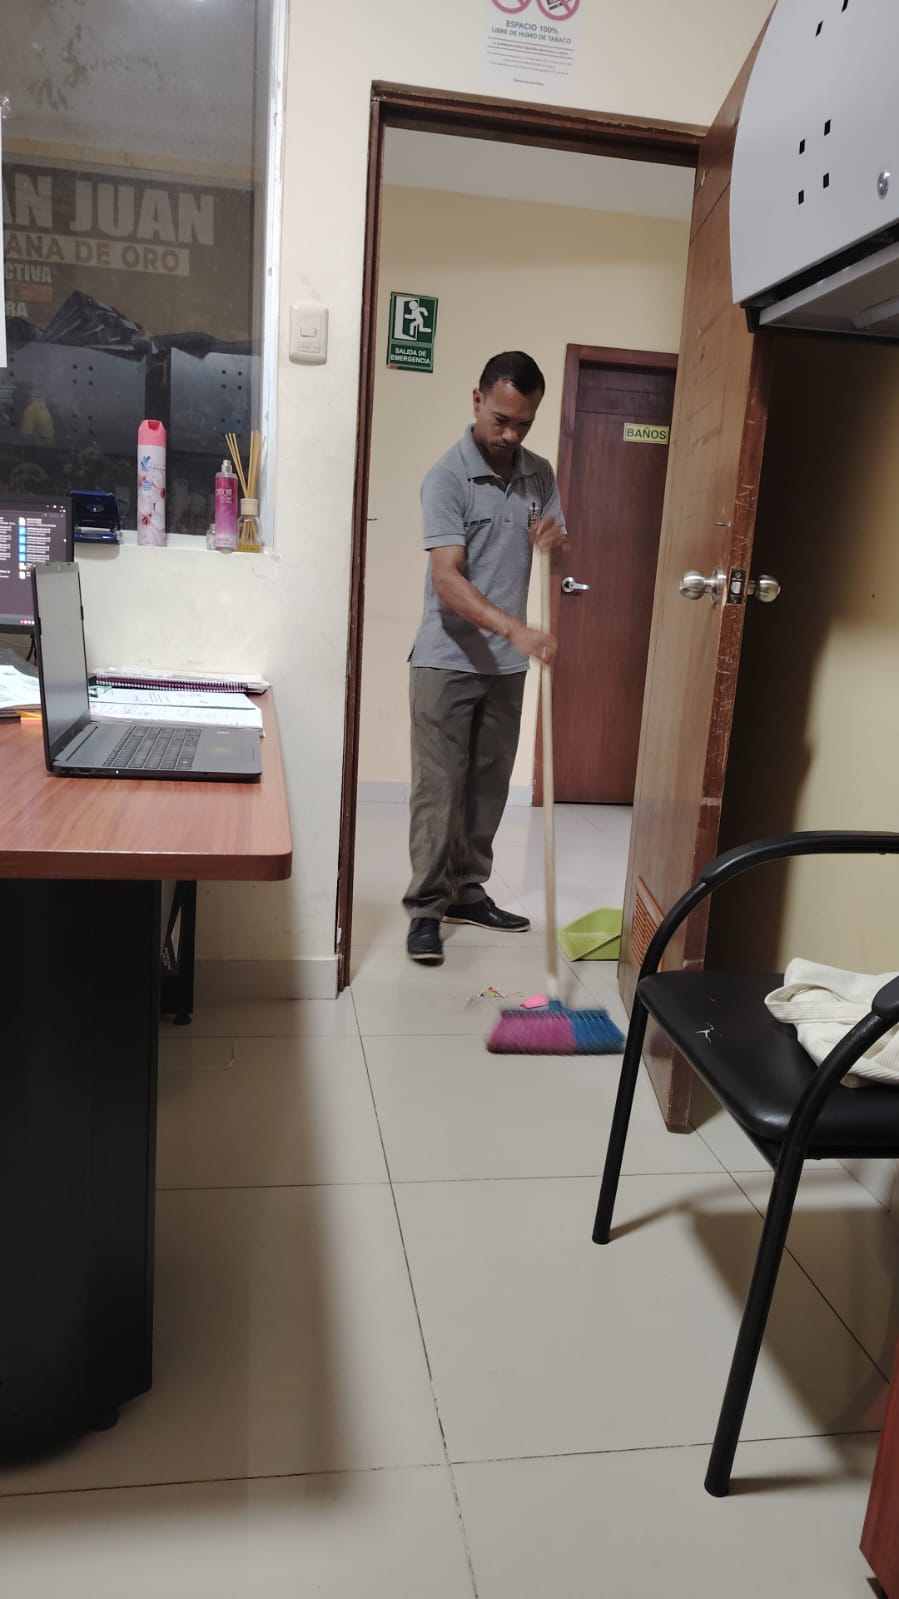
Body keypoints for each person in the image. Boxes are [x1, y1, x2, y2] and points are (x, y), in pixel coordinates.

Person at [404, 350, 568, 965]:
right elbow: (447, 579)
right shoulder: (446, 478)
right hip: (446, 660)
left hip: (506, 667)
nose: (510, 435)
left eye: (523, 424)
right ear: (477, 400)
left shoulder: (539, 474)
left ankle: (467, 893)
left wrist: (557, 544)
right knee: (439, 790)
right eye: (501, 420)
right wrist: (513, 629)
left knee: (487, 788)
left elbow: (557, 553)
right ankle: (426, 909)